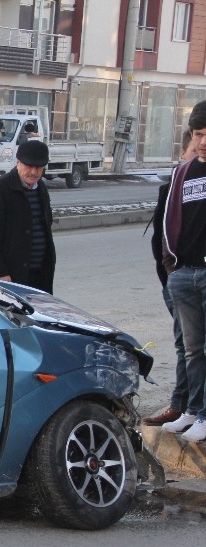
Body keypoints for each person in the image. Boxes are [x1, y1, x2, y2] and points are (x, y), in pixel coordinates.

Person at [162, 100, 206, 441]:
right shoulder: (183, 173)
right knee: (192, 350)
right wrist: (172, 267)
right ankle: (192, 409)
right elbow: (168, 221)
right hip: (184, 274)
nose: (203, 141)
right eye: (198, 134)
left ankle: (204, 415)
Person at [144, 129, 195, 425]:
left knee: (193, 347)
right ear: (183, 153)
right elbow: (161, 239)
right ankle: (181, 405)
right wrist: (170, 275)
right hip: (176, 280)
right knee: (185, 345)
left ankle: (189, 407)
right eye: (193, 152)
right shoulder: (172, 187)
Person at [0, 140, 56, 293]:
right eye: (29, 166)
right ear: (18, 163)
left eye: (39, 168)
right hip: (8, 277)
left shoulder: (40, 187)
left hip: (39, 275)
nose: (34, 172)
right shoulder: (0, 188)